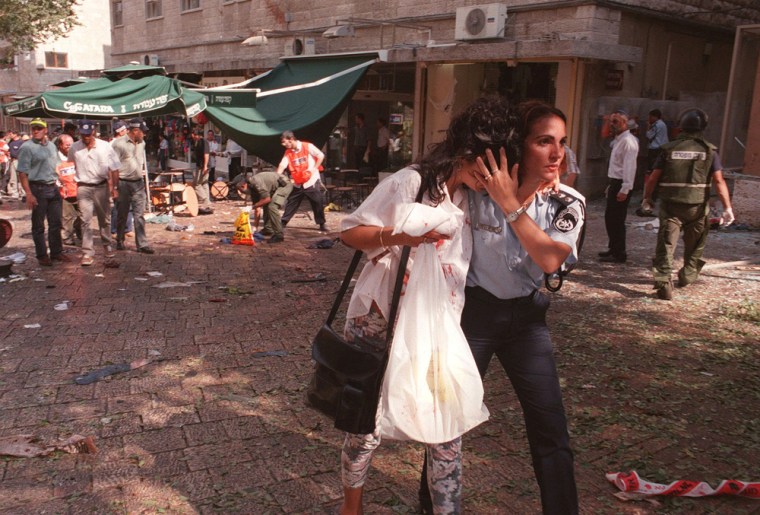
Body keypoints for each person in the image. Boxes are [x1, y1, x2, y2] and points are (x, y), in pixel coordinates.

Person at [338, 96, 517, 515]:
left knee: (447, 428)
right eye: (487, 165)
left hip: (438, 330)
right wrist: (402, 237)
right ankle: (352, 507)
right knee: (366, 425)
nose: (492, 176)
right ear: (468, 153)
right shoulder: (410, 183)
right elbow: (350, 232)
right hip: (380, 318)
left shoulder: (478, 200)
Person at [420, 100, 584, 515]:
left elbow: (550, 258)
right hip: (473, 316)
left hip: (528, 321)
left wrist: (512, 205)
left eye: (562, 142)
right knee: (445, 422)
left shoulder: (567, 202)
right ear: (519, 145)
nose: (556, 153)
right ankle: (430, 507)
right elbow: (434, 178)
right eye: (544, 141)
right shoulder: (478, 189)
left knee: (550, 429)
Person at [643, 108, 734, 301]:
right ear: (703, 127)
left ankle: (664, 283)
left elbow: (653, 178)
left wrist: (647, 198)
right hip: (697, 208)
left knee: (666, 245)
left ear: (680, 126)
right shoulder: (709, 151)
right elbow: (719, 181)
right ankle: (688, 274)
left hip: (671, 207)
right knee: (695, 246)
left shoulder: (669, 149)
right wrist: (727, 208)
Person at [16, 118, 69, 266]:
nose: (36, 131)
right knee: (38, 225)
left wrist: (64, 182)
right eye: (34, 128)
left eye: (39, 128)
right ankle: (41, 255)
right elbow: (22, 173)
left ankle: (56, 252)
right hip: (37, 188)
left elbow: (57, 165)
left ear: (45, 130)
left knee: (56, 223)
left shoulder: (51, 146)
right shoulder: (27, 147)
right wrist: (29, 194)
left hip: (53, 187)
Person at [68, 119, 121, 267]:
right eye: (83, 134)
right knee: (85, 220)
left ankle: (107, 246)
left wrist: (114, 188)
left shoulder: (105, 147)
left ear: (93, 132)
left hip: (101, 186)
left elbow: (115, 168)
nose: (86, 137)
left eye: (88, 134)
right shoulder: (75, 148)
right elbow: (69, 165)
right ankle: (87, 252)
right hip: (83, 187)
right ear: (80, 133)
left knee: (105, 219)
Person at [599, 110, 638, 263]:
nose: (612, 125)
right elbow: (604, 136)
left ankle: (619, 252)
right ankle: (613, 248)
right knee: (610, 218)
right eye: (611, 121)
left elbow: (630, 167)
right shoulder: (618, 140)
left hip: (622, 183)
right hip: (615, 181)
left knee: (617, 219)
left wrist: (625, 189)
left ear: (625, 123)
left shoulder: (628, 141)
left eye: (616, 122)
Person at [111, 118, 154, 254]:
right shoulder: (119, 144)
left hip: (138, 182)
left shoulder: (142, 143)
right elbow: (113, 166)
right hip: (123, 182)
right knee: (122, 214)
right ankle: (120, 239)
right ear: (135, 131)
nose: (144, 134)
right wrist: (114, 187)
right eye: (142, 132)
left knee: (139, 214)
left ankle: (142, 244)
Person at [277, 131, 327, 232]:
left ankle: (321, 223)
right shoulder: (288, 152)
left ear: (291, 139)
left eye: (284, 142)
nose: (283, 145)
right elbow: (282, 165)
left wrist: (314, 168)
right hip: (298, 182)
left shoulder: (307, 146)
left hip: (311, 180)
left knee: (317, 202)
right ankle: (283, 222)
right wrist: (277, 176)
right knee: (292, 202)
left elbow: (321, 155)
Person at [240, 171, 293, 243]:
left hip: (284, 185)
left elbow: (267, 199)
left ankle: (279, 235)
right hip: (274, 188)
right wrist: (255, 228)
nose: (242, 192)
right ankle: (268, 229)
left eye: (241, 190)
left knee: (272, 206)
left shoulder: (255, 182)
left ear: (244, 185)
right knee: (265, 204)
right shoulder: (252, 189)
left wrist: (251, 207)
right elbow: (257, 208)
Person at [55, 134, 82, 247]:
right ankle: (67, 237)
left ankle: (79, 231)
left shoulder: (77, 154)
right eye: (67, 145)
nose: (69, 147)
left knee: (82, 215)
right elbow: (54, 172)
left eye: (71, 145)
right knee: (66, 216)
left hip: (79, 189)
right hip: (64, 192)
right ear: (60, 145)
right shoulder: (56, 158)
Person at [109, 121, 133, 239]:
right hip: (117, 177)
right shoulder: (113, 144)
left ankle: (127, 228)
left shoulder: (128, 142)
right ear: (120, 131)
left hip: (128, 176)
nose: (127, 132)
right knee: (117, 206)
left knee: (128, 205)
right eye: (125, 130)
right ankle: (114, 230)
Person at [191, 130, 213, 215]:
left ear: (196, 135)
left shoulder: (204, 142)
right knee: (204, 183)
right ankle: (207, 203)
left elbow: (206, 154)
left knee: (196, 184)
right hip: (200, 165)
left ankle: (205, 200)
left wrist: (205, 166)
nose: (193, 137)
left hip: (202, 166)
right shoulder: (197, 142)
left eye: (193, 135)